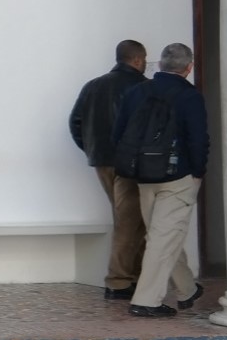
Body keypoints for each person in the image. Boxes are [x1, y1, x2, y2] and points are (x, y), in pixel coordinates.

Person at [112, 42, 208, 318]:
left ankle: (187, 289)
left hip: (143, 177)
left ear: (160, 65)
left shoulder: (136, 92)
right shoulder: (190, 96)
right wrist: (198, 172)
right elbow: (198, 140)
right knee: (163, 238)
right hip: (177, 178)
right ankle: (146, 301)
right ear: (189, 68)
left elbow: (118, 134)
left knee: (162, 235)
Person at [69, 40, 149, 299]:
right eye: (145, 60)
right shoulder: (142, 87)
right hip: (130, 164)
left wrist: (92, 150)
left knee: (129, 220)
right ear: (137, 60)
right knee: (130, 223)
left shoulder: (93, 86)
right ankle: (118, 281)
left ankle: (135, 276)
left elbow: (76, 122)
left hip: (102, 161)